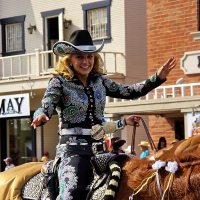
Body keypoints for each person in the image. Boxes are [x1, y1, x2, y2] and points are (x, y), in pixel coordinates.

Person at [31, 30, 176, 199]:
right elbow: (47, 103)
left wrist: (157, 78)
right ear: (69, 60)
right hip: (73, 152)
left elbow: (129, 91)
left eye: (90, 56)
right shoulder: (59, 82)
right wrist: (42, 114)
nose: (86, 61)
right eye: (80, 57)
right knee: (70, 193)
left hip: (101, 151)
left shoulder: (100, 81)